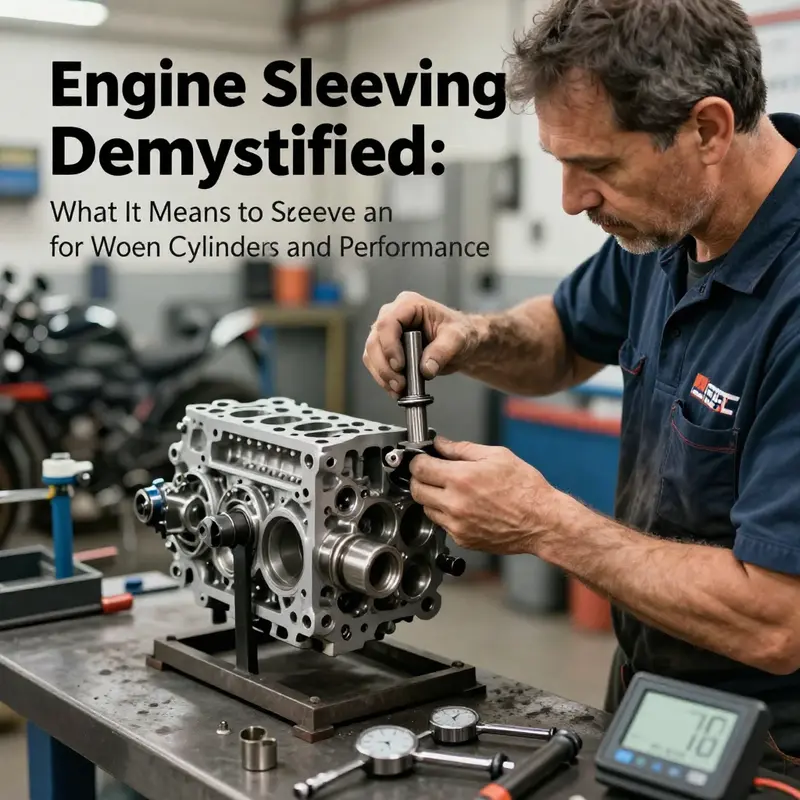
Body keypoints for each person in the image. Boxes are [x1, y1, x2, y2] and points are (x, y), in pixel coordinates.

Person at [363, 0, 800, 777]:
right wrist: (472, 334)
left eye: (598, 166)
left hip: (773, 746)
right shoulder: (669, 227)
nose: (572, 199)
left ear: (707, 130)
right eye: (560, 163)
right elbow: (564, 336)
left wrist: (544, 523)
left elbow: (777, 618)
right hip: (647, 686)